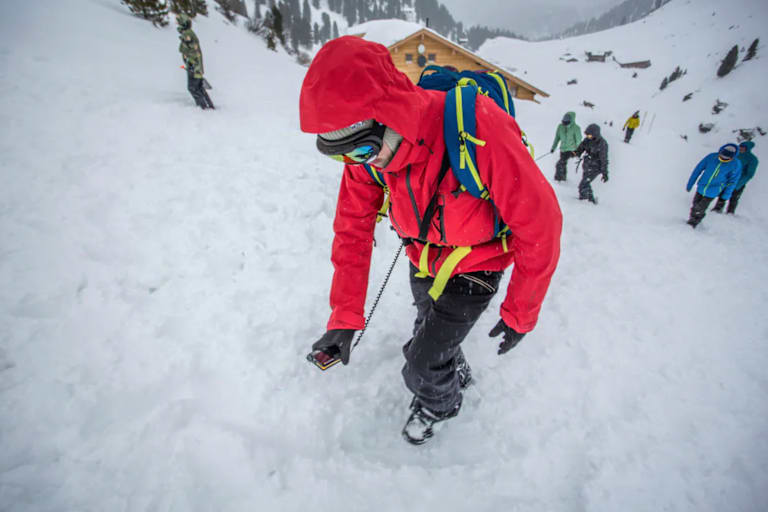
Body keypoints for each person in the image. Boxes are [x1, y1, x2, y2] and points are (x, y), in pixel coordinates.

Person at [300, 37, 562, 445]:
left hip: (479, 260)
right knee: (429, 326)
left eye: (364, 150)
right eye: (342, 157)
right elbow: (351, 231)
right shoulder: (368, 159)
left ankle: (442, 404)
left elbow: (540, 224)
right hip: (422, 255)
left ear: (390, 114)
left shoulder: (478, 126)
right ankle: (453, 369)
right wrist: (344, 317)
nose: (359, 163)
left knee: (420, 362)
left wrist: (520, 313)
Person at [685, 143, 742, 228]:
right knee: (695, 204)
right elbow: (698, 169)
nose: (723, 159)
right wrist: (690, 183)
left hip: (714, 190)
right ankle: (695, 218)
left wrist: (725, 196)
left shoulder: (736, 164)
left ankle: (693, 223)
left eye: (726, 158)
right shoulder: (711, 157)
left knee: (700, 207)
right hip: (702, 186)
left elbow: (732, 181)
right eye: (722, 156)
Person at [176, 13, 214, 110]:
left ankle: (203, 108)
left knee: (193, 88)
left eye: (178, 23)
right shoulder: (188, 33)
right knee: (198, 87)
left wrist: (187, 54)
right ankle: (209, 107)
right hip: (194, 65)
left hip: (193, 65)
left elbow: (193, 49)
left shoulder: (187, 34)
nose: (177, 25)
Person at [712, 140, 758, 214]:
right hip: (727, 179)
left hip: (739, 182)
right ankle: (717, 209)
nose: (741, 148)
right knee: (723, 194)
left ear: (748, 149)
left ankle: (730, 213)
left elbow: (749, 174)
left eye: (743, 147)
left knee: (734, 197)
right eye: (740, 146)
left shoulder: (752, 159)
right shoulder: (734, 155)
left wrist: (739, 184)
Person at [573, 124, 609, 204]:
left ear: (595, 134)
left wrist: (605, 173)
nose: (588, 136)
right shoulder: (587, 140)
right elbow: (581, 147)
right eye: (587, 135)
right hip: (587, 165)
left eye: (589, 135)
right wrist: (576, 152)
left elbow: (604, 160)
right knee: (586, 183)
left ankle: (584, 201)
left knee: (583, 184)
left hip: (596, 167)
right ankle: (590, 200)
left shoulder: (602, 144)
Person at [550, 112, 582, 181]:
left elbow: (579, 140)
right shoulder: (560, 127)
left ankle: (558, 179)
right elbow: (557, 138)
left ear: (571, 121)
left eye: (566, 122)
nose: (565, 124)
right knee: (563, 163)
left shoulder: (576, 128)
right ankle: (563, 179)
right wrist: (553, 148)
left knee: (560, 163)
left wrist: (577, 150)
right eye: (564, 122)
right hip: (563, 149)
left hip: (571, 150)